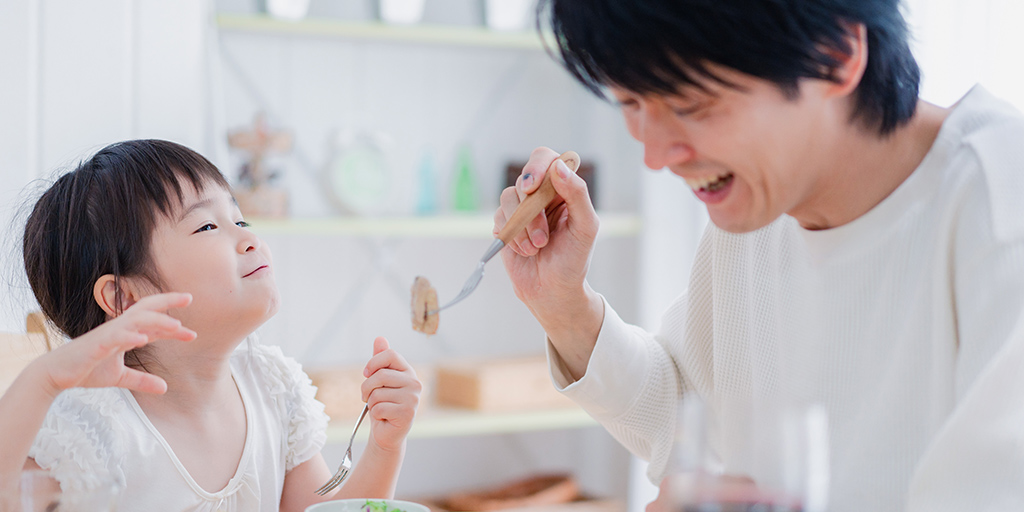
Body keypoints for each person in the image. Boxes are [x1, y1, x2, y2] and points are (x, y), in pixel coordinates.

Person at [494, 0, 1024, 510]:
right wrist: (562, 304)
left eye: (690, 106)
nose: (655, 157)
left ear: (837, 54)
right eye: (632, 103)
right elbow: (682, 412)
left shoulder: (999, 204)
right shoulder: (761, 206)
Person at [0, 140, 422, 511]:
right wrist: (43, 380)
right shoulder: (87, 430)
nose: (250, 238)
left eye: (240, 220)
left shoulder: (272, 386)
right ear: (123, 298)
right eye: (207, 226)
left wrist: (385, 446)